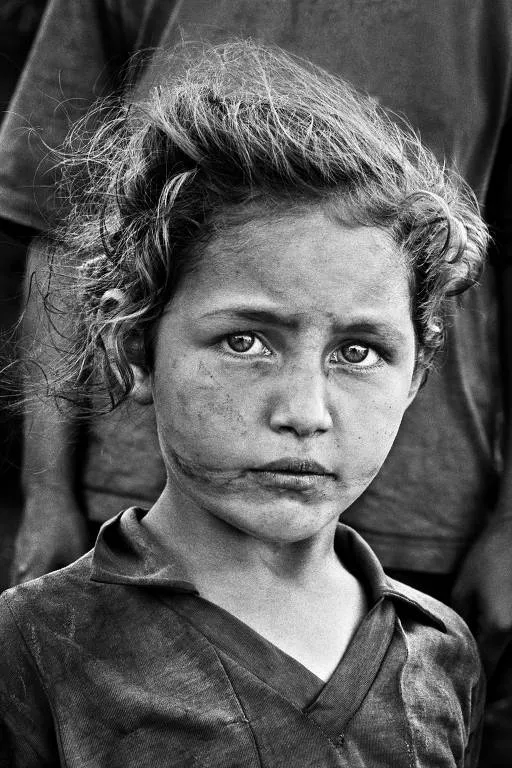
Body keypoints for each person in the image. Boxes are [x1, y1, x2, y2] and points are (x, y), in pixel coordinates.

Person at [0, 41, 486, 767]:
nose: (305, 412)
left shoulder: (439, 651)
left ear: (415, 376)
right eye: (246, 342)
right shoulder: (34, 647)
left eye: (358, 352)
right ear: (134, 346)